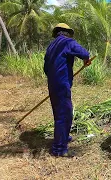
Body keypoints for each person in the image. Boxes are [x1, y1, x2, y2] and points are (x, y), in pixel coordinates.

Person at [44, 23, 91, 157]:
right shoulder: (68, 42)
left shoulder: (51, 46)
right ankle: (59, 149)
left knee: (59, 113)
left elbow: (46, 68)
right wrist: (86, 59)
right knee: (64, 114)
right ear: (67, 33)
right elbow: (84, 52)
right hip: (61, 84)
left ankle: (63, 137)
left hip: (53, 84)